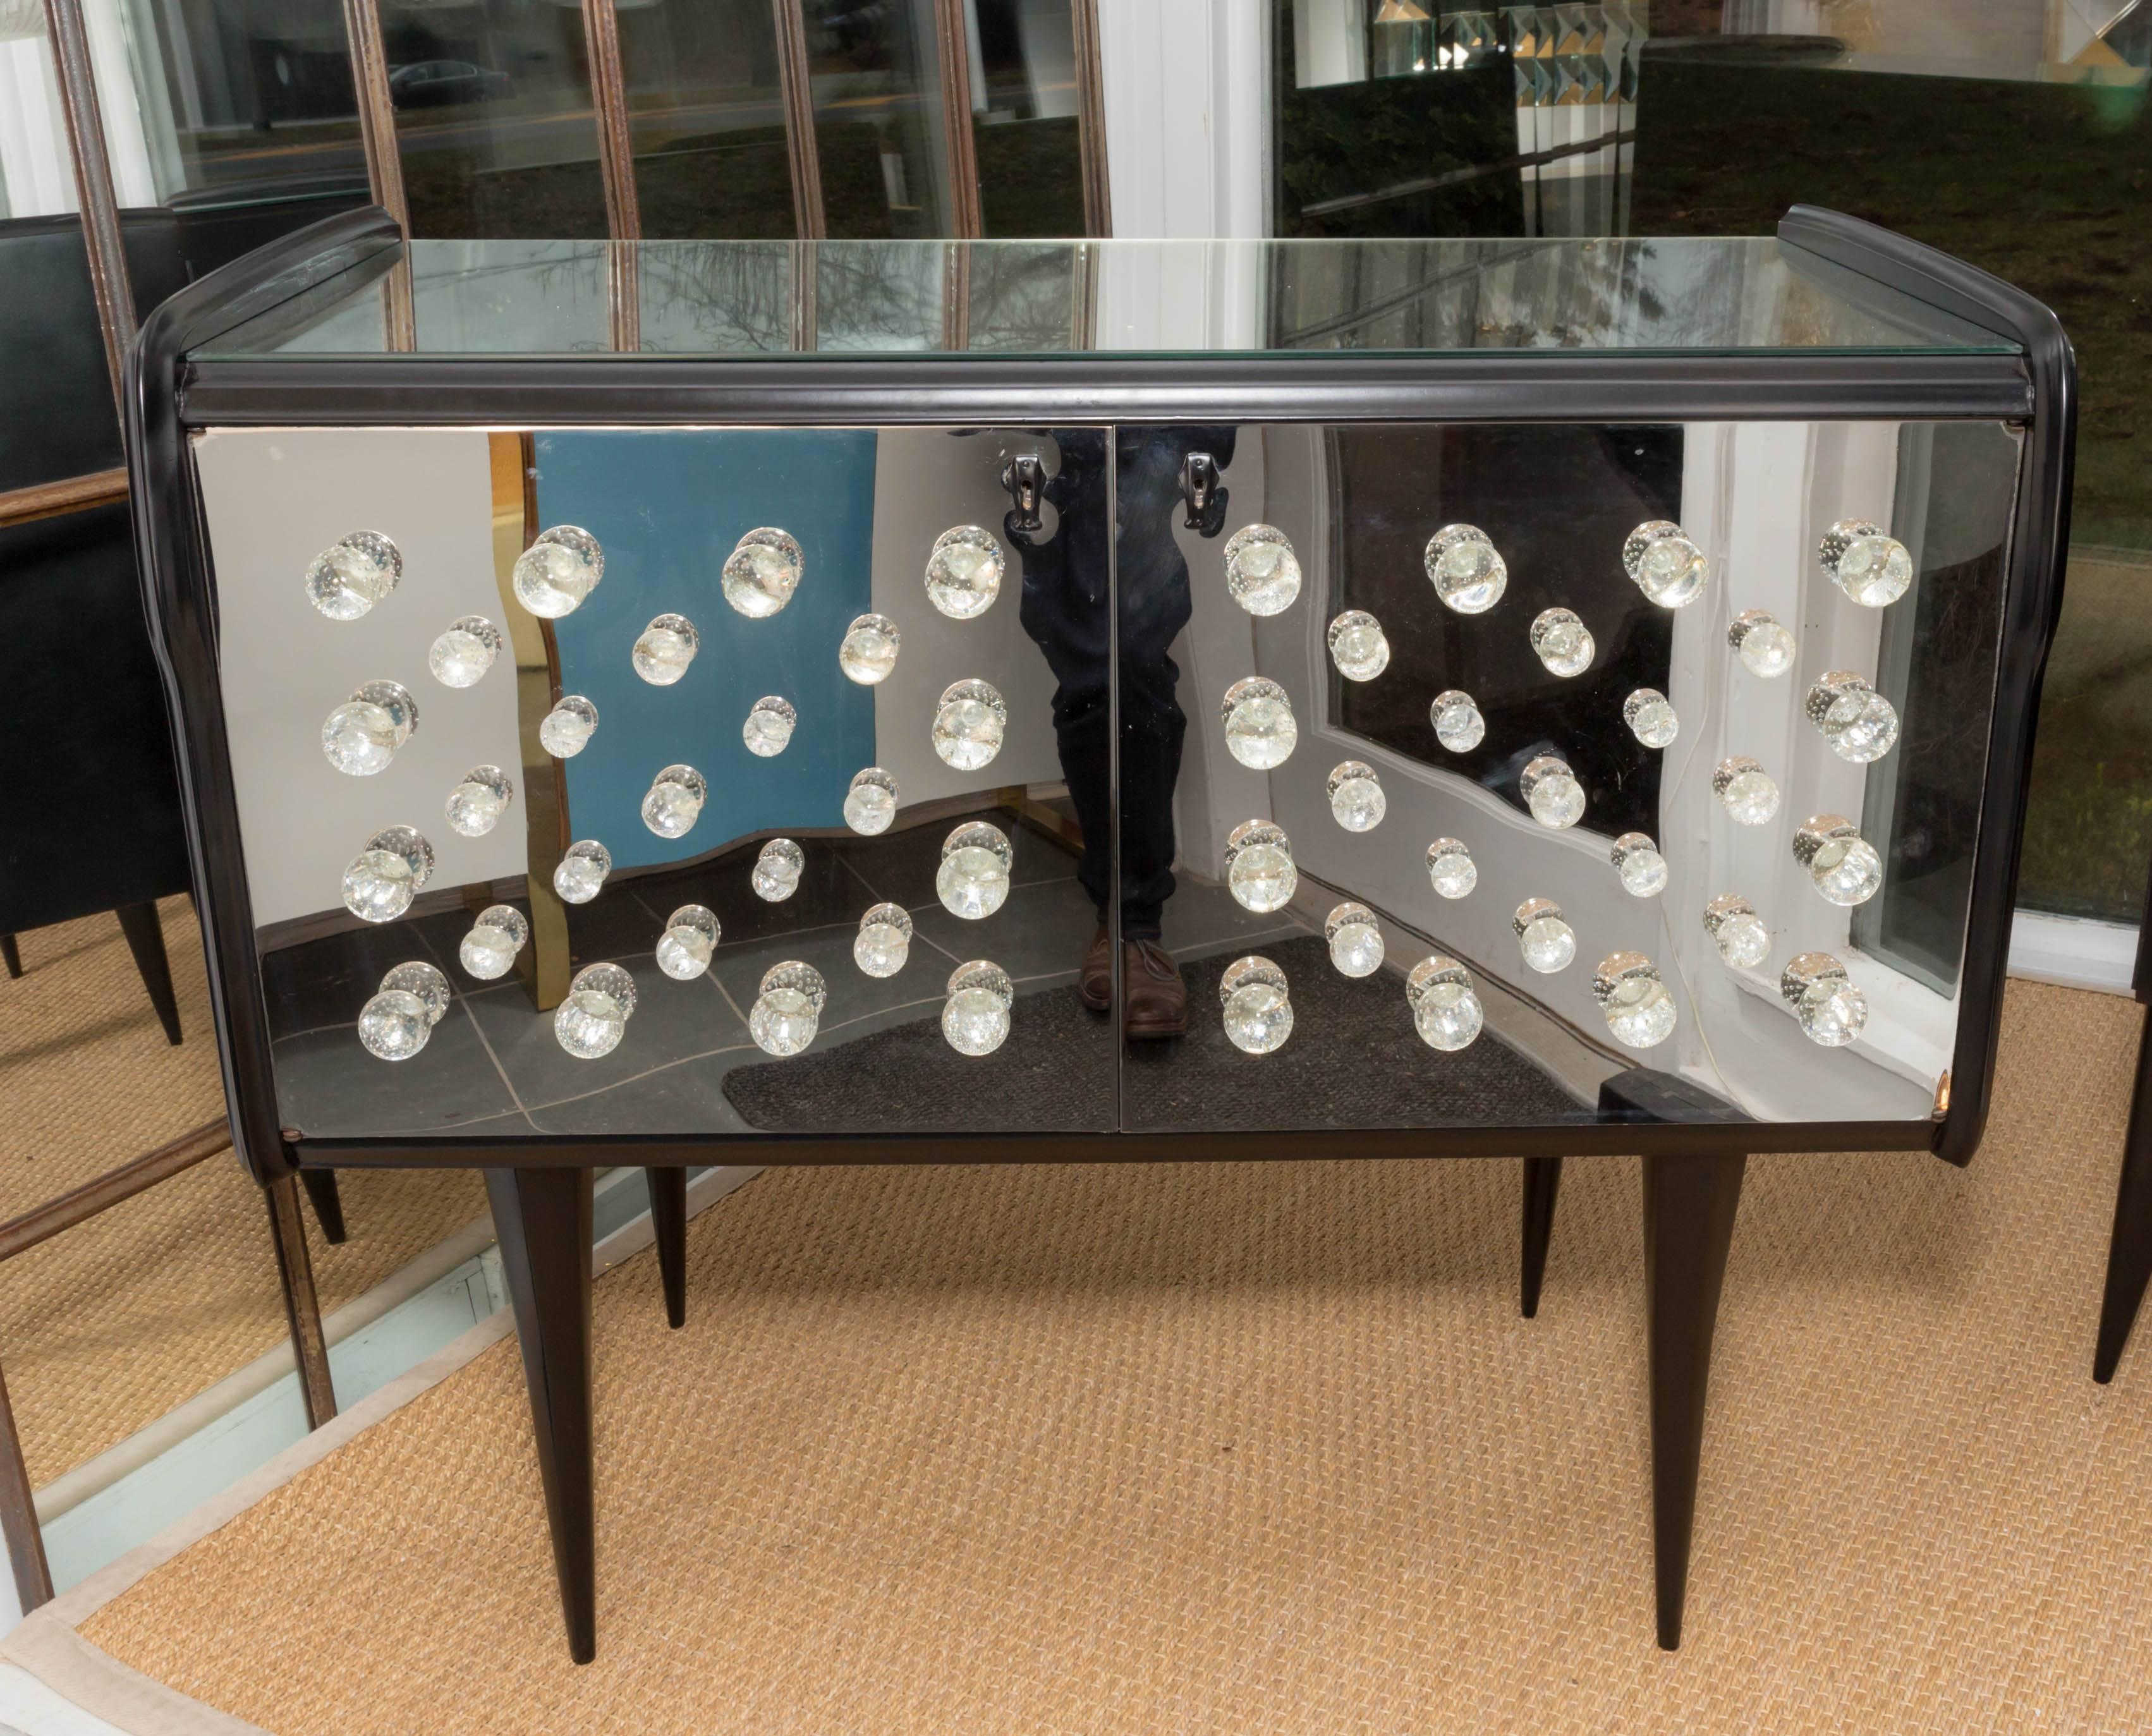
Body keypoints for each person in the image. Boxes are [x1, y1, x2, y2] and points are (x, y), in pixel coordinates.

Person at [1011, 427, 1236, 1039]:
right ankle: (1121, 920)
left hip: (1161, 446)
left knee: (1136, 673)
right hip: (1069, 452)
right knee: (1088, 676)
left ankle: (1135, 925)